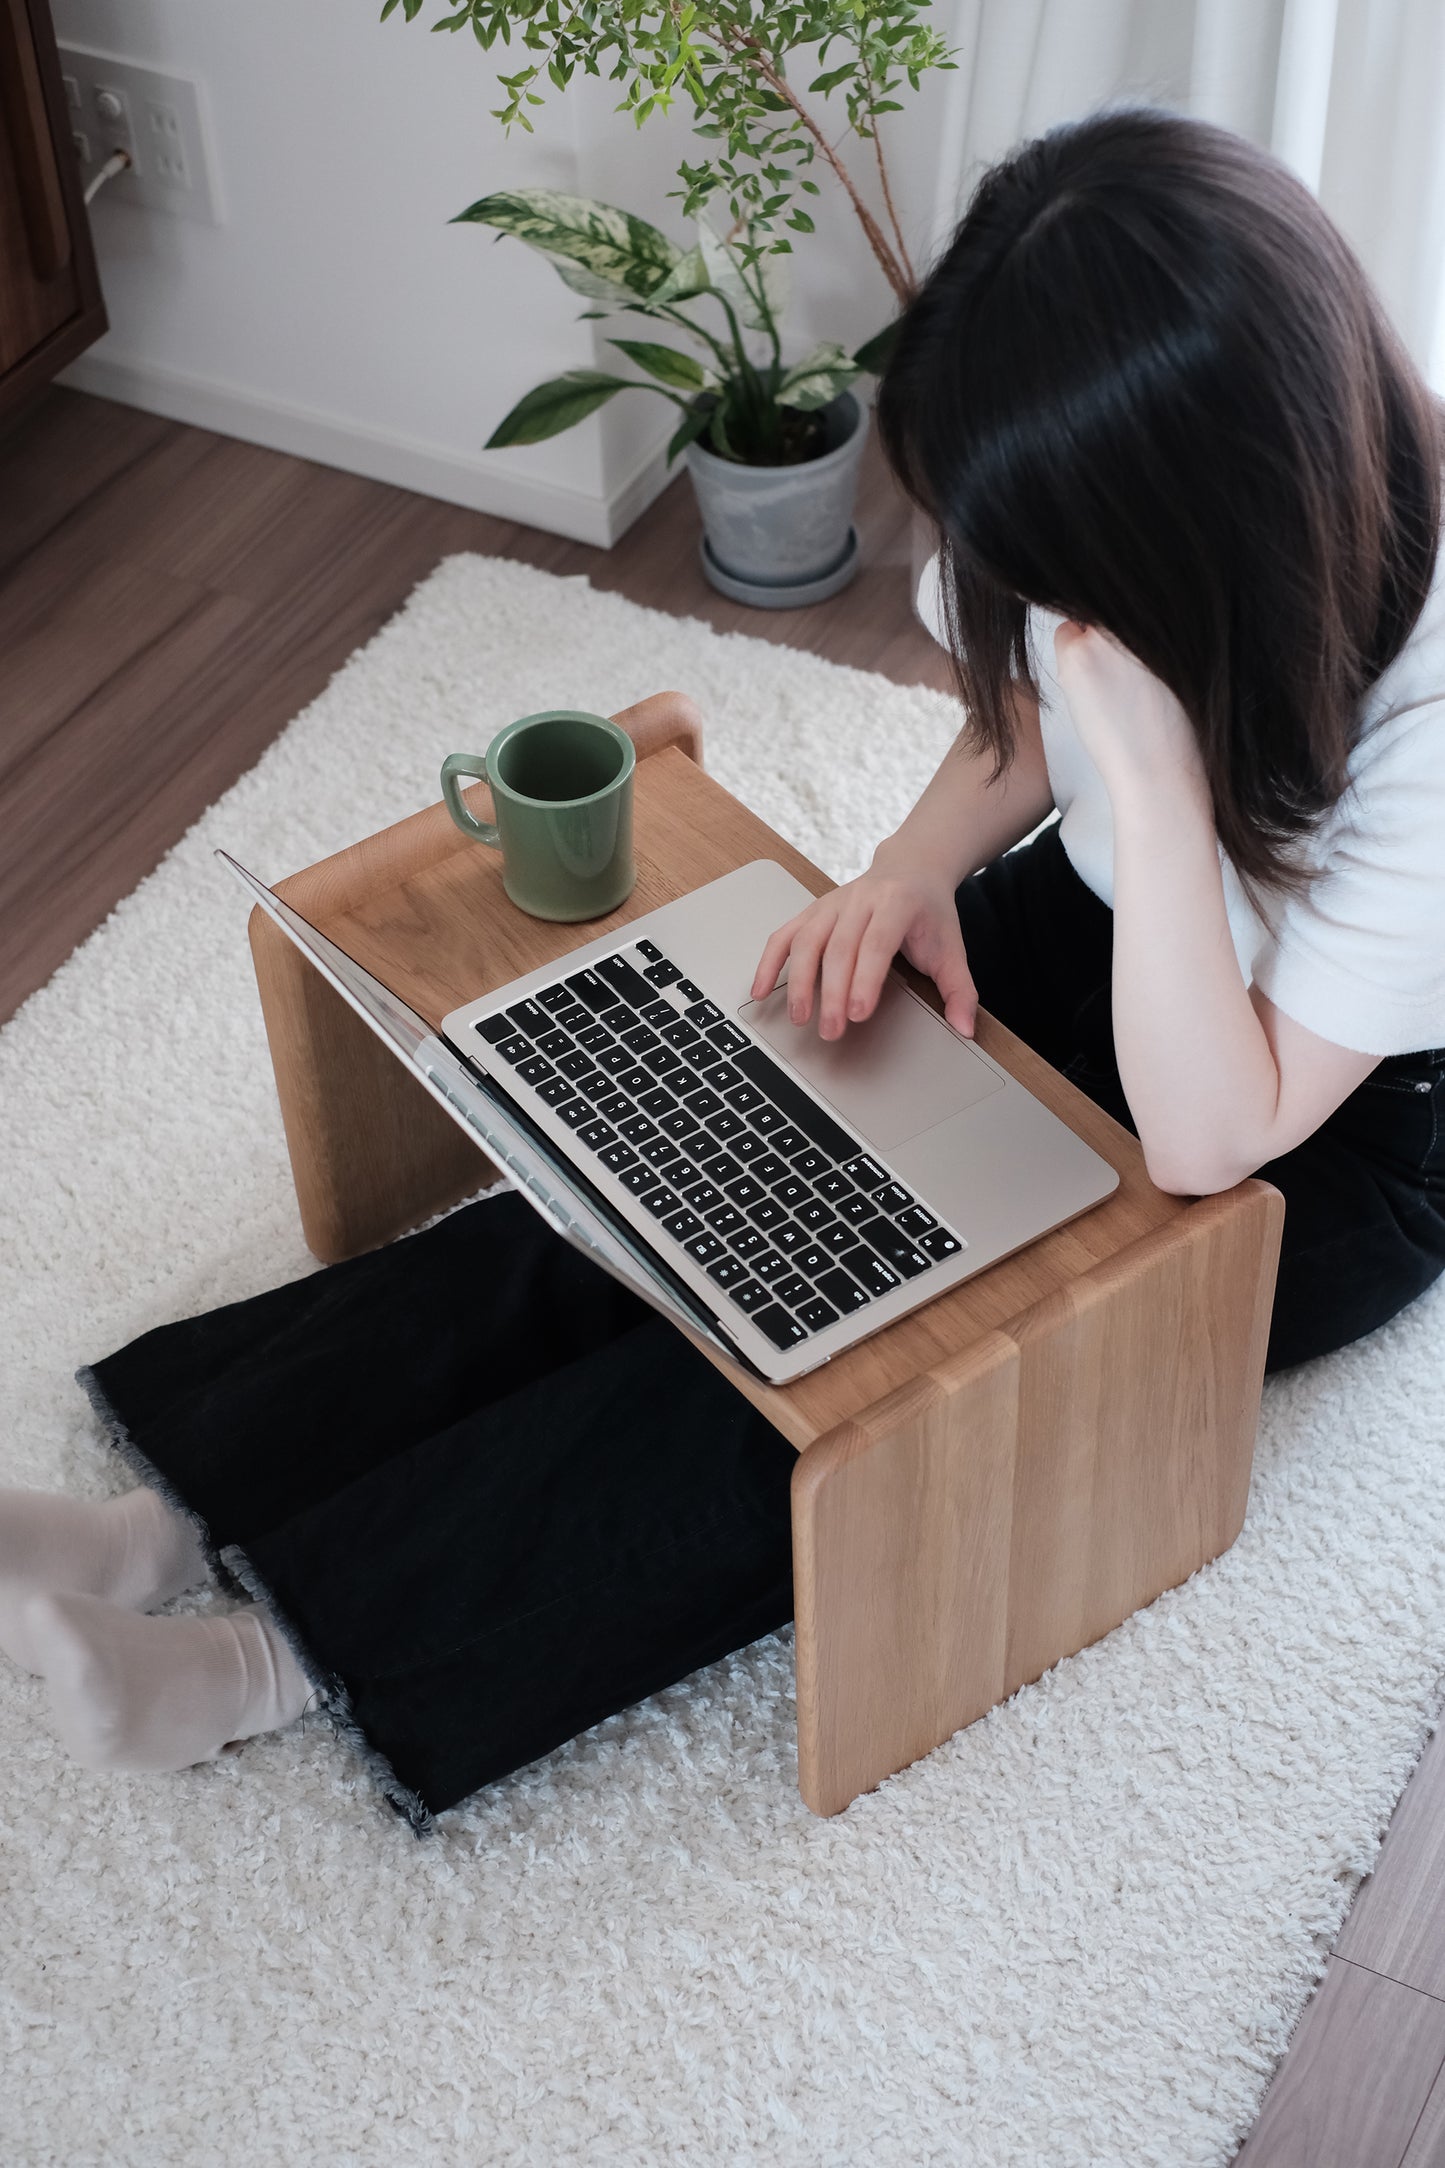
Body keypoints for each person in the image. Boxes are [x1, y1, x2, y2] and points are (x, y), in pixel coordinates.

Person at [6, 108, 1444, 1830]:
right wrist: (911, 866)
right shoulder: (1137, 475)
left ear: (1188, 544)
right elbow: (1023, 712)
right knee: (693, 1149)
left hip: (1316, 1132)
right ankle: (169, 1511)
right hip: (1092, 925)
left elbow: (1221, 1134)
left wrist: (1147, 766)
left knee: (857, 1371)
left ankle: (274, 1659)